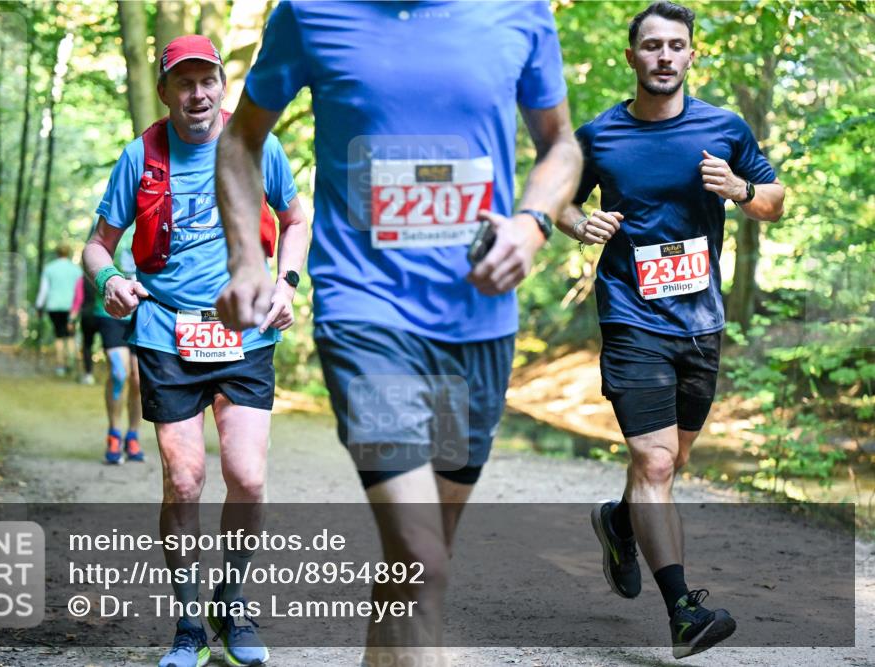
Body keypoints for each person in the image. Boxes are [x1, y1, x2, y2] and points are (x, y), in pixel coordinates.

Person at [215, 3, 582, 664]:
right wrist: (247, 260)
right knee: (421, 553)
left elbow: (561, 143)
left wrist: (531, 225)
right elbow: (241, 139)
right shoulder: (310, 12)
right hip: (365, 311)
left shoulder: (520, 11)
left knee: (419, 560)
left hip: (477, 320)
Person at [555, 1, 784, 659]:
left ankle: (619, 521)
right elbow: (558, 201)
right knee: (654, 461)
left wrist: (740, 189)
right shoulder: (599, 136)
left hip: (700, 320)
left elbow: (775, 201)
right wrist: (580, 224)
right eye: (651, 45)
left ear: (690, 55)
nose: (663, 55)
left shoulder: (724, 128)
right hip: (631, 316)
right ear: (632, 56)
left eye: (675, 45)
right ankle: (684, 613)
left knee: (672, 461)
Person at [82, 34, 308, 667]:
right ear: (165, 92)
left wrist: (287, 284)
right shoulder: (141, 156)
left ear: (222, 86)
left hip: (246, 330)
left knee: (248, 477)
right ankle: (188, 623)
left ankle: (231, 603)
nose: (198, 93)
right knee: (184, 481)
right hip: (165, 333)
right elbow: (96, 246)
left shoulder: (255, 144)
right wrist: (111, 280)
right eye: (184, 82)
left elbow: (295, 219)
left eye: (207, 80)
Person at [74, 227, 144, 464]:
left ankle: (133, 435)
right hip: (111, 313)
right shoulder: (108, 220)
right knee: (119, 372)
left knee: (138, 379)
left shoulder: (159, 214)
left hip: (144, 312)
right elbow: (90, 259)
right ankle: (114, 433)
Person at [36, 242, 83, 377]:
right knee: (71, 335)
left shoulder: (49, 268)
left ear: (57, 253)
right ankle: (71, 364)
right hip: (71, 308)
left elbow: (44, 290)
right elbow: (79, 291)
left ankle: (60, 366)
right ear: (68, 253)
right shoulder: (76, 270)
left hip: (54, 307)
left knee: (59, 336)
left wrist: (39, 306)